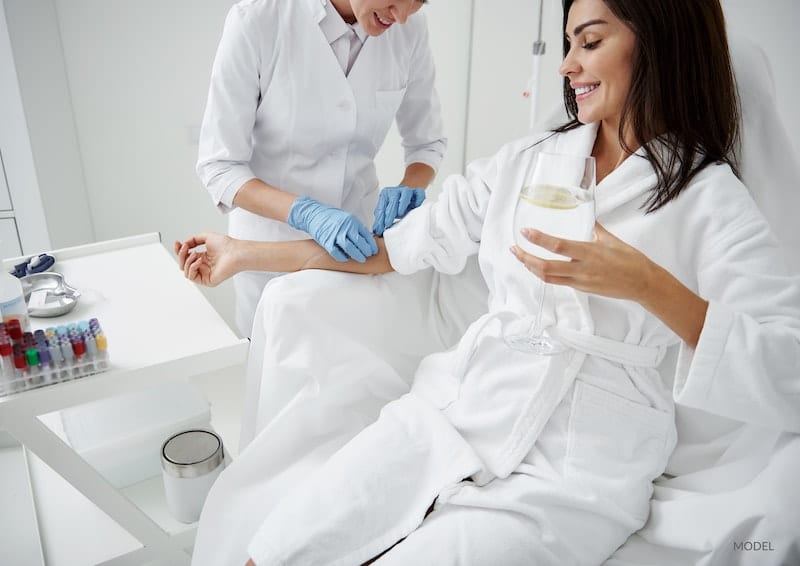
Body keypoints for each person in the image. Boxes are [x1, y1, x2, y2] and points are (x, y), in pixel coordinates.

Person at [177, 0, 800, 564]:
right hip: (459, 408)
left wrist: (647, 285)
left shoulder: (709, 198)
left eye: (588, 43)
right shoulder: (530, 162)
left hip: (579, 464)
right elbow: (389, 252)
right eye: (567, 45)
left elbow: (788, 363)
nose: (567, 66)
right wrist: (243, 251)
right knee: (283, 542)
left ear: (657, 42)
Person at [197, 0, 445, 336]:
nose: (400, 16)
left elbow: (426, 143)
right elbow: (220, 166)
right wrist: (306, 212)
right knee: (274, 375)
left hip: (354, 250)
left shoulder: (409, 32)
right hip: (267, 253)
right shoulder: (258, 20)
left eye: (417, 3)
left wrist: (411, 185)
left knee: (351, 370)